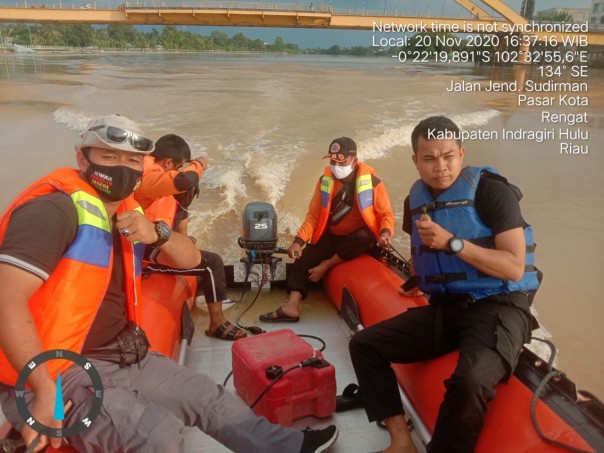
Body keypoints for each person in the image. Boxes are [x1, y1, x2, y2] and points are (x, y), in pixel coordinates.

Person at [0, 114, 338, 453]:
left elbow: (191, 260)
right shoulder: (52, 211)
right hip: (56, 369)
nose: (121, 167)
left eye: (131, 160)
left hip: (122, 354)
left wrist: (158, 233)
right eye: (108, 156)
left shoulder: (127, 214)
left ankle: (287, 447)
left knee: (208, 396)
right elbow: (6, 299)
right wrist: (42, 388)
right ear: (82, 158)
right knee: (158, 432)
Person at [349, 116, 541, 453]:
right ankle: (401, 441)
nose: (441, 167)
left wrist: (452, 243)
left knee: (470, 381)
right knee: (364, 345)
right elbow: (425, 254)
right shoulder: (415, 201)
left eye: (448, 156)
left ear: (461, 153)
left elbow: (512, 267)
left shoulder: (491, 190)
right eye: (429, 158)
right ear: (415, 161)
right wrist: (417, 279)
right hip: (446, 307)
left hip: (498, 304)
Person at [260, 137, 395, 322]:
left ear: (354, 161)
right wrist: (298, 242)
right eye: (333, 161)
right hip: (334, 235)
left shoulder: (373, 183)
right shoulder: (325, 181)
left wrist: (385, 233)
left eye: (342, 161)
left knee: (364, 236)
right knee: (303, 261)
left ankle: (327, 265)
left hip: (359, 239)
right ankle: (292, 307)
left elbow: (385, 214)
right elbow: (313, 216)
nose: (336, 165)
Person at [135, 133, 246, 341]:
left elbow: (179, 218)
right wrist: (199, 163)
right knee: (212, 262)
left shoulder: (161, 184)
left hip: (153, 242)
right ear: (168, 162)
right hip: (144, 251)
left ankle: (203, 295)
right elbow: (186, 178)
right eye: (179, 166)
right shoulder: (149, 177)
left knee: (194, 251)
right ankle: (217, 323)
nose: (180, 170)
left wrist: (185, 244)